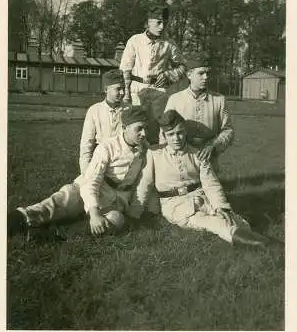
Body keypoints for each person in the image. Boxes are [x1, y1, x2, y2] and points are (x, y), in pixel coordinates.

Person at [7, 106, 149, 241]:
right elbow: (92, 181)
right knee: (61, 202)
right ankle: (16, 220)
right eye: (139, 129)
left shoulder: (145, 150)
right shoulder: (107, 147)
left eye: (145, 129)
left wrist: (134, 212)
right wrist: (93, 212)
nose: (144, 134)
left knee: (116, 220)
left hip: (114, 198)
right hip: (89, 187)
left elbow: (143, 182)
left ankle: (53, 235)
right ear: (125, 128)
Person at [139, 110, 269, 247]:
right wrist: (135, 214)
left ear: (185, 132)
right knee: (214, 223)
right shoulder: (154, 154)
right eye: (171, 134)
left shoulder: (196, 153)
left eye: (180, 132)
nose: (176, 138)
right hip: (175, 205)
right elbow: (144, 184)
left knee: (234, 220)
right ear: (164, 135)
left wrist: (221, 207)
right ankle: (264, 245)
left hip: (200, 197)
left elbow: (210, 183)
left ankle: (255, 237)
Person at [119, 3, 187, 144]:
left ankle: (156, 163)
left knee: (157, 132)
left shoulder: (169, 44)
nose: (162, 27)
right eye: (158, 22)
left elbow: (182, 66)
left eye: (165, 23)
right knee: (136, 129)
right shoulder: (135, 41)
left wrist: (168, 75)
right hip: (136, 91)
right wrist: (126, 96)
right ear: (149, 22)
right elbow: (125, 69)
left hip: (159, 92)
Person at [162, 54, 234, 173]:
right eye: (201, 73)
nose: (206, 77)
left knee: (212, 189)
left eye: (207, 73)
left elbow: (228, 130)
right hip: (182, 158)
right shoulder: (175, 99)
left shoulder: (219, 99)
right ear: (189, 75)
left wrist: (213, 146)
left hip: (209, 157)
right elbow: (164, 131)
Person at [79, 69, 129, 175]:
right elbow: (86, 145)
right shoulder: (94, 110)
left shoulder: (129, 110)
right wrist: (86, 172)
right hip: (100, 162)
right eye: (118, 89)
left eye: (124, 88)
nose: (122, 93)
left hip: (123, 164)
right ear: (106, 89)